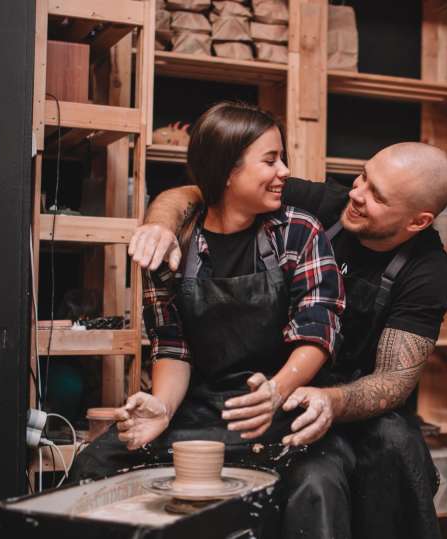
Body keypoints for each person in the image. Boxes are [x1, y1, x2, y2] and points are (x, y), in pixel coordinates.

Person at [130, 141, 447, 539]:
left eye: (377, 196)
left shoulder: (426, 271)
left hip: (345, 396)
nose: (356, 194)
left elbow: (395, 380)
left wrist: (332, 402)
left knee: (395, 444)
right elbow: (199, 191)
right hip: (270, 379)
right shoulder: (325, 202)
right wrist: (161, 225)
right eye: (363, 177)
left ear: (418, 222)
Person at [69, 102, 349, 537]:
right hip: (199, 409)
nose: (285, 172)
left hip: (282, 408)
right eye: (271, 160)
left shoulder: (299, 232)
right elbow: (172, 342)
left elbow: (316, 329)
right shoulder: (177, 245)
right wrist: (161, 406)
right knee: (94, 465)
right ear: (226, 172)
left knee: (317, 486)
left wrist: (277, 390)